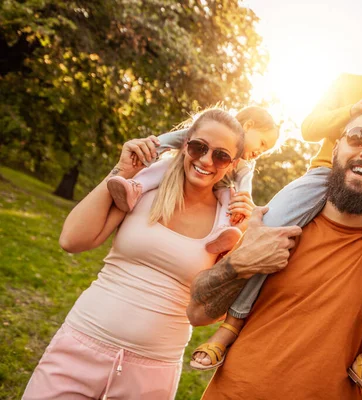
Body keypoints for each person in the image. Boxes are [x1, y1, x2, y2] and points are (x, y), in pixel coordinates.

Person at [193, 7, 362, 398]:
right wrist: (350, 113)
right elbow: (309, 126)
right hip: (319, 179)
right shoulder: (346, 82)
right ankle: (233, 323)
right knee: (274, 221)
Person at [21, 108, 278, 400]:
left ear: (232, 164)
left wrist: (240, 250)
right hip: (80, 346)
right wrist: (121, 171)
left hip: (152, 373)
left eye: (220, 156)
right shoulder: (140, 189)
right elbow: (72, 239)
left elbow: (208, 314)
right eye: (198, 147)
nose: (206, 160)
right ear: (185, 144)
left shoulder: (228, 226)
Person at [105, 106, 280, 254]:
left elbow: (244, 185)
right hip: (182, 172)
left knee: (229, 196)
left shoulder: (244, 165)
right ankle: (135, 187)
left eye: (265, 151)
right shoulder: (209, 128)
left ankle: (223, 231)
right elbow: (170, 140)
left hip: (219, 190)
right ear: (249, 125)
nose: (260, 152)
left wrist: (242, 201)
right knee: (165, 165)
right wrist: (151, 151)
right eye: (263, 144)